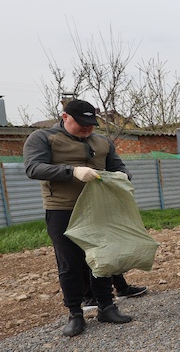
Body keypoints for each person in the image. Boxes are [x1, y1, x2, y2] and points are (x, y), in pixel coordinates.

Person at [23, 99, 133, 337]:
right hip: (62, 208)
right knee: (70, 262)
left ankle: (106, 306)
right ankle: (75, 313)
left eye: (91, 124)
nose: (87, 129)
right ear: (65, 117)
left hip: (99, 207)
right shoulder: (43, 138)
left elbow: (118, 166)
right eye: (81, 124)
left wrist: (123, 176)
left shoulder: (102, 142)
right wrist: (71, 171)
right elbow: (33, 168)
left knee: (102, 258)